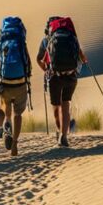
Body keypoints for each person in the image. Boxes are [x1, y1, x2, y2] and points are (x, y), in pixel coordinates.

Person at [37, 16, 88, 148]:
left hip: (54, 76)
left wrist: (45, 68)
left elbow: (39, 59)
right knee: (66, 105)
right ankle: (63, 136)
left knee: (56, 106)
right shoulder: (72, 38)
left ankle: (60, 131)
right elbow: (83, 59)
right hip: (71, 76)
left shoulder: (46, 40)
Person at [0, 16, 32, 156]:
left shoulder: (1, 42)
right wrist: (27, 78)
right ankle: (14, 144)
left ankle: (6, 124)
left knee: (6, 108)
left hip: (5, 82)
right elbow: (28, 62)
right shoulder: (21, 42)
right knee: (18, 114)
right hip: (20, 82)